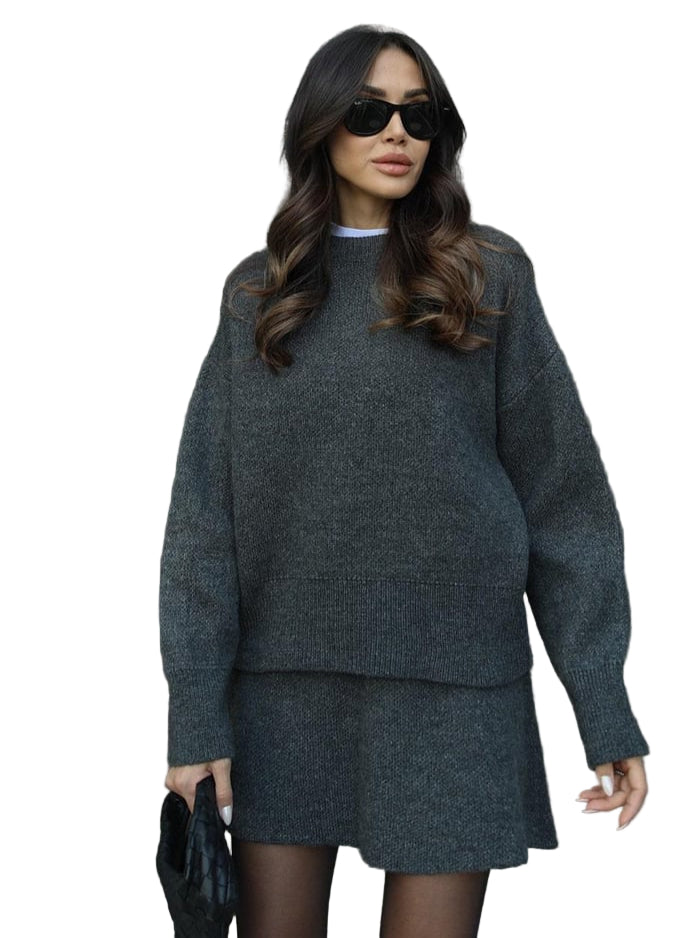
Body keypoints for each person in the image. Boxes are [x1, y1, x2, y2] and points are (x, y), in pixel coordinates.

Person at [160, 23, 650, 938]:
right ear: (320, 126)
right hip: (282, 699)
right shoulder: (259, 296)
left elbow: (566, 505)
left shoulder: (487, 276)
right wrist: (195, 719)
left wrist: (604, 706)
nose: (397, 132)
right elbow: (202, 526)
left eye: (418, 115)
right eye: (369, 111)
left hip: (456, 697)